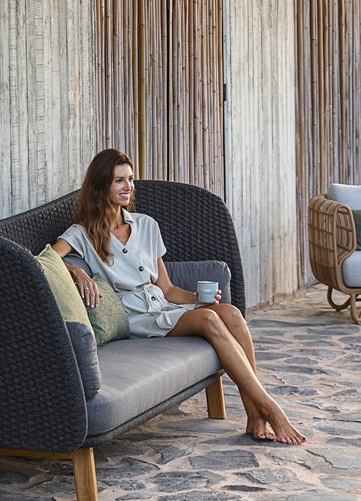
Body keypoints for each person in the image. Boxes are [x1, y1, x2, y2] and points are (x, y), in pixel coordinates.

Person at [52, 149, 306, 445]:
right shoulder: (83, 233)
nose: (128, 187)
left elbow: (167, 288)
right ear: (101, 185)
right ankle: (270, 409)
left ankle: (254, 412)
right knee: (209, 319)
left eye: (130, 179)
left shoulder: (146, 225)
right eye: (118, 180)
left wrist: (196, 297)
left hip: (161, 306)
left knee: (231, 313)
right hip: (136, 318)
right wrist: (76, 271)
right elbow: (45, 259)